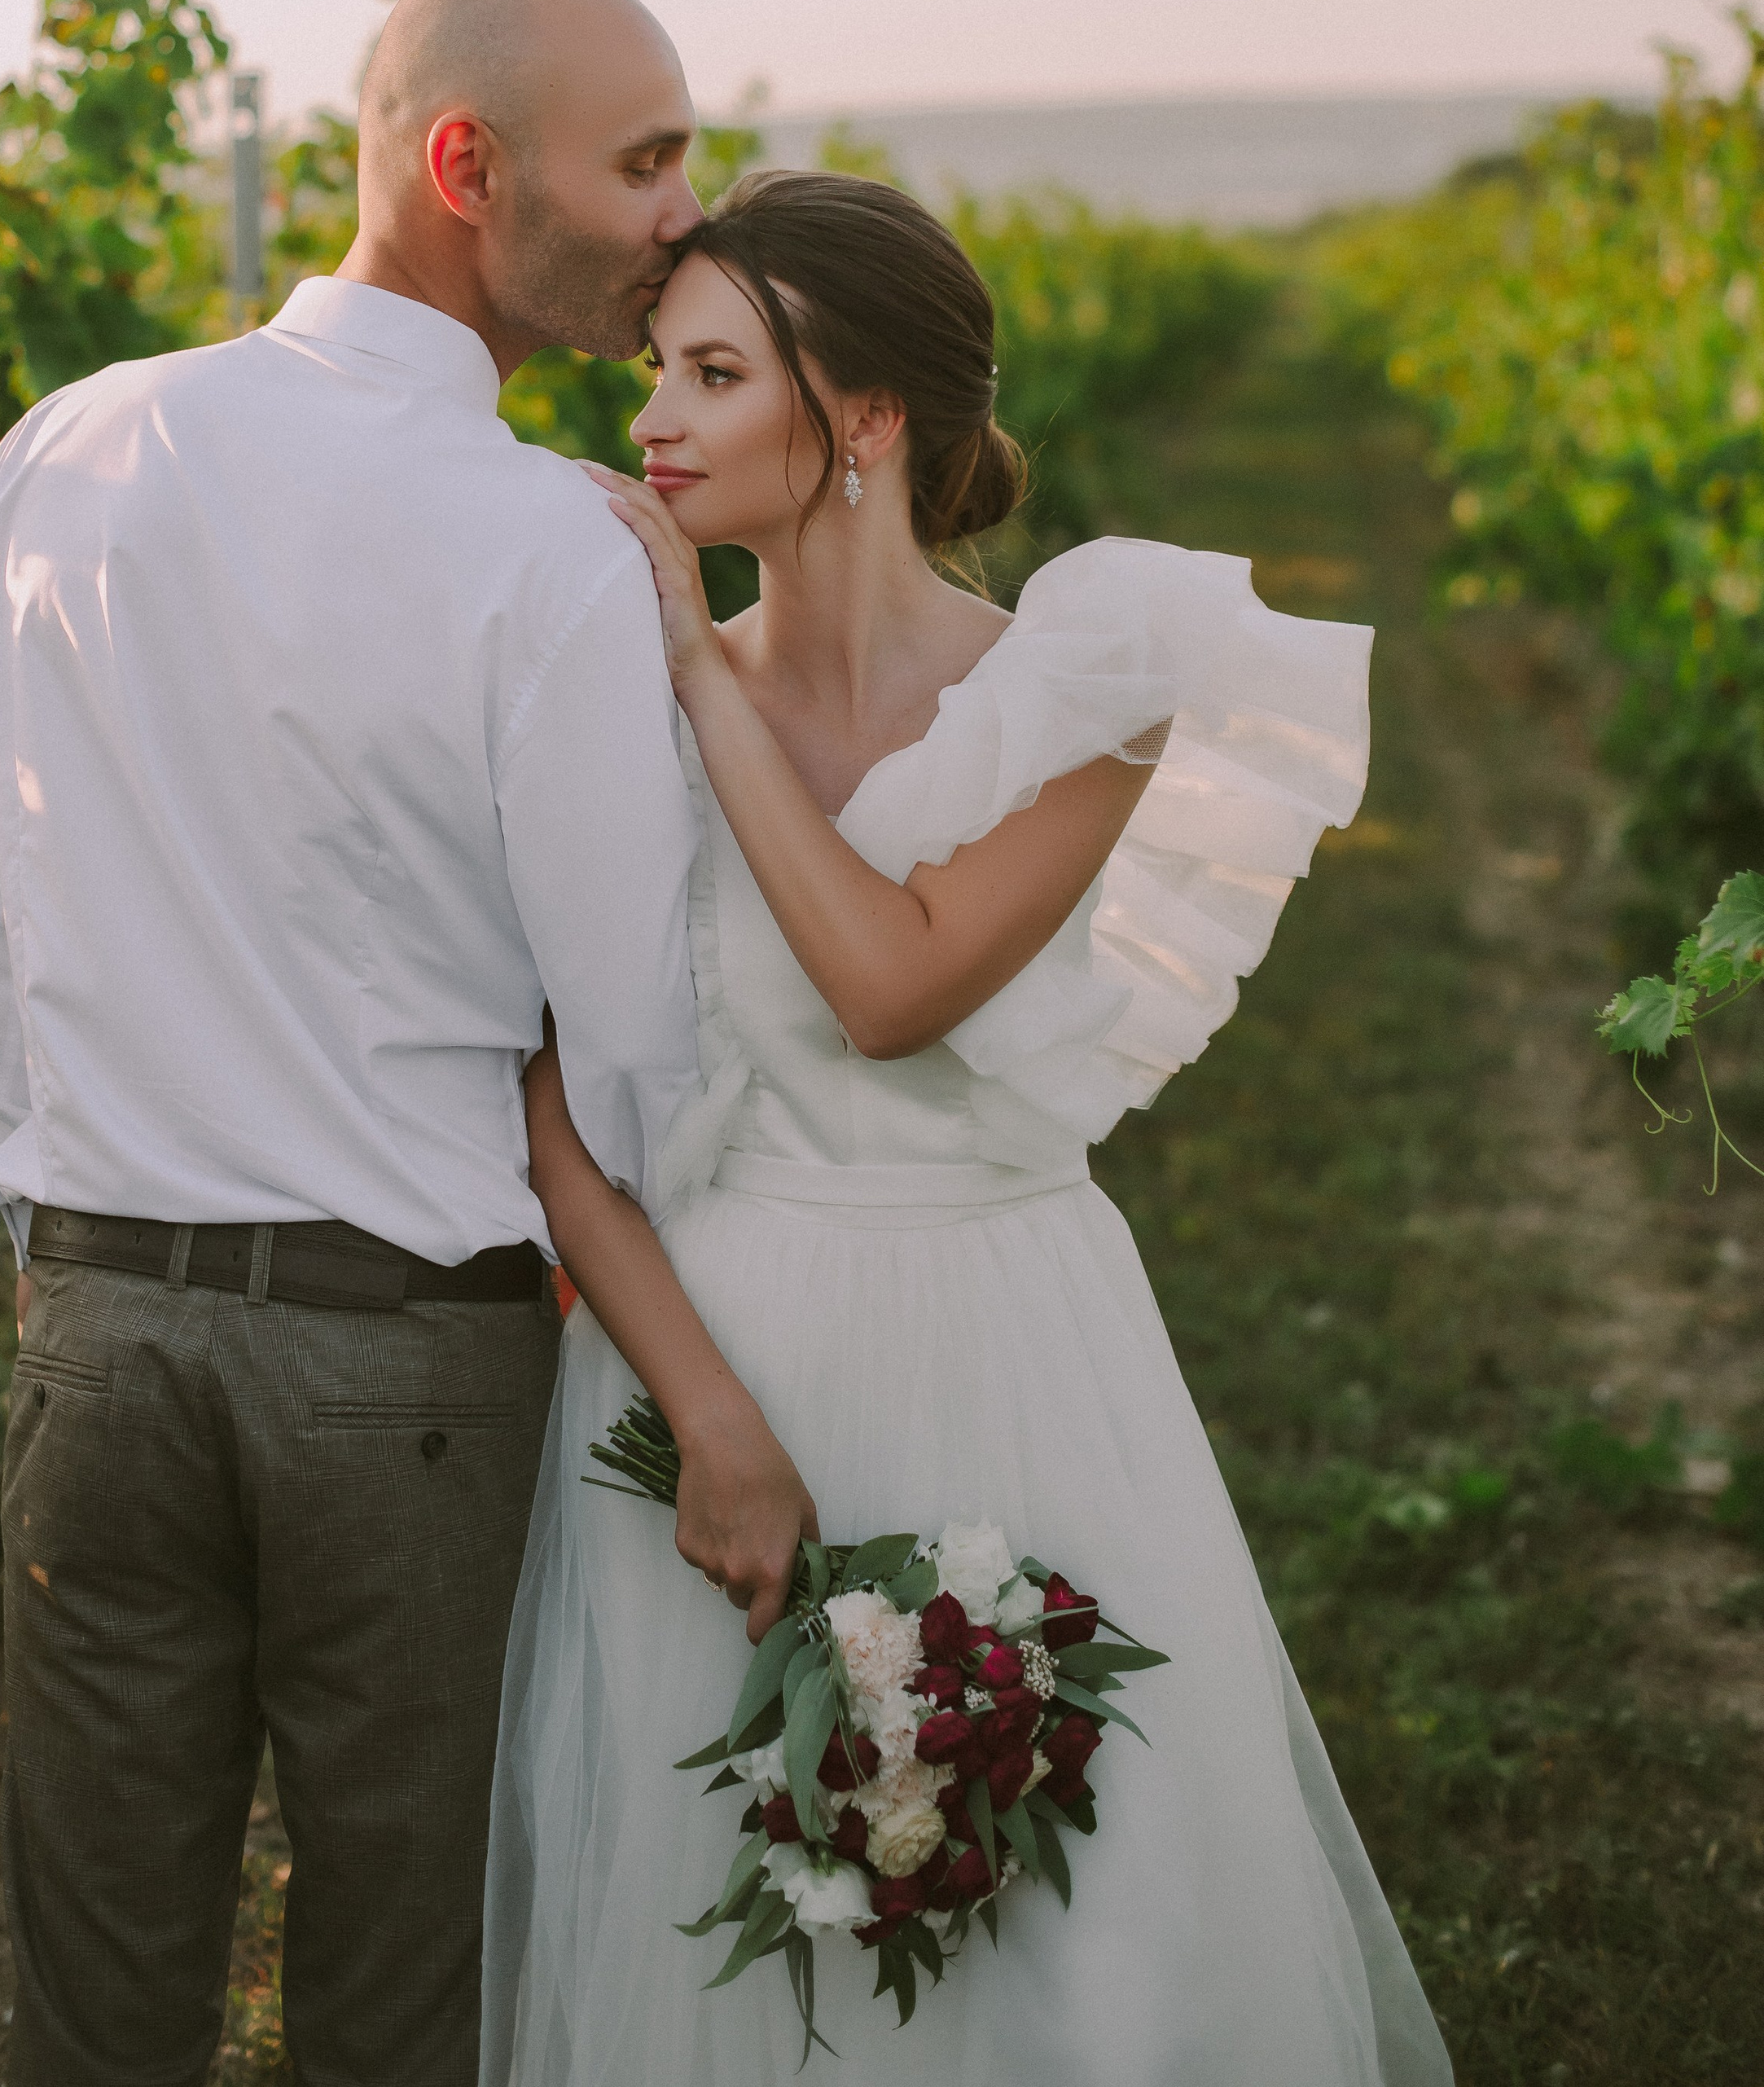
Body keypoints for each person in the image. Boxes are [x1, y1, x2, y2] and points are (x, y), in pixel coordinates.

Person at [0, 0, 809, 2087]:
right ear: (463, 164)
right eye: (646, 160)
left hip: (104, 1338)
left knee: (94, 1998)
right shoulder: (546, 546)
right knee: (401, 1997)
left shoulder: (72, 447)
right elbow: (628, 1036)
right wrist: (649, 1290)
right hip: (402, 1365)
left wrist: (67, 1234)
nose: (682, 214)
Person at [482, 169, 1454, 2085]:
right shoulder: (600, 695)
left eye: (707, 374)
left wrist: (699, 670)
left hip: (1014, 1343)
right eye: (651, 376)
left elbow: (889, 983)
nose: (649, 424)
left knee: (1063, 1915)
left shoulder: (1079, 686)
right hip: (716, 1351)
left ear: (858, 417)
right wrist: (712, 1418)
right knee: (731, 1944)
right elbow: (546, 1114)